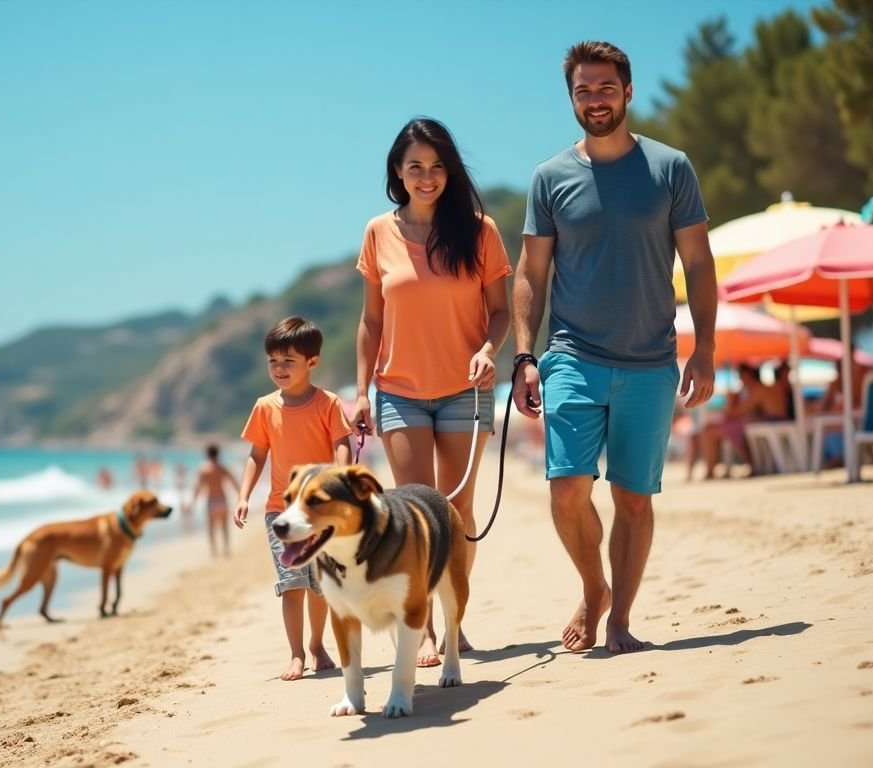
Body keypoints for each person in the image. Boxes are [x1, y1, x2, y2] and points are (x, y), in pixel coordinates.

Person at [511, 41, 717, 654]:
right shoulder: (550, 177)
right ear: (571, 99)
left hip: (651, 360)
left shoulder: (670, 168)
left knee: (633, 497)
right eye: (583, 90)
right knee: (566, 488)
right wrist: (525, 354)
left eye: (605, 88)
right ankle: (593, 586)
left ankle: (620, 618)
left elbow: (699, 263)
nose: (594, 100)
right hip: (572, 353)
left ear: (627, 92)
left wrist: (704, 349)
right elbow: (530, 273)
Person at [352, 117, 512, 667]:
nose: (427, 176)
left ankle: (454, 622)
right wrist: (358, 392)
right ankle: (419, 627)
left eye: (436, 166)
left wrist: (489, 350)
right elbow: (371, 322)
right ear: (397, 172)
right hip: (398, 391)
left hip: (466, 389)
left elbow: (500, 312)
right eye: (415, 166)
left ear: (450, 171)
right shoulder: (378, 232)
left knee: (458, 510)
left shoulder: (480, 230)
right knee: (415, 514)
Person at [234, 316, 354, 681]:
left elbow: (342, 444)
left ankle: (318, 645)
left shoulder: (328, 403)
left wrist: (341, 481)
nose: (279, 368)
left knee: (319, 584)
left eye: (289, 361)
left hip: (317, 513)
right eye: (273, 361)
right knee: (292, 582)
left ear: (312, 362)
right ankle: (297, 653)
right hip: (279, 511)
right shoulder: (264, 407)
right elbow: (257, 455)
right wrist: (243, 496)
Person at [191, 444, 240, 556]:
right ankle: (226, 550)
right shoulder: (222, 468)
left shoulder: (203, 470)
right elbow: (235, 484)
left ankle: (214, 552)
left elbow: (197, 488)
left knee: (211, 529)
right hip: (222, 500)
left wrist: (193, 503)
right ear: (218, 454)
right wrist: (242, 498)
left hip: (211, 502)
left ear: (207, 454)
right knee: (224, 527)